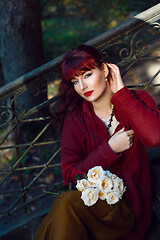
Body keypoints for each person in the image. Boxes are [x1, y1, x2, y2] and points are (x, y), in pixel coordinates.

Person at [34, 44, 160, 240]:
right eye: (75, 81)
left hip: (129, 208)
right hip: (92, 207)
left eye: (87, 75)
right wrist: (109, 150)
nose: (82, 87)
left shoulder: (137, 100)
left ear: (104, 69)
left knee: (65, 205)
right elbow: (70, 176)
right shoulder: (76, 120)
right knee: (65, 203)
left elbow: (154, 137)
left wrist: (122, 95)